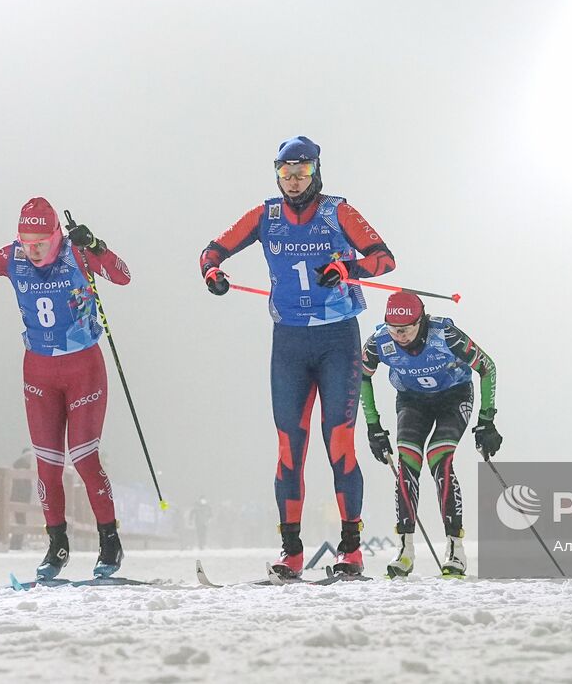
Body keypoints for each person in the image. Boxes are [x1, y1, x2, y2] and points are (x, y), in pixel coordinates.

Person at [198, 136, 395, 580]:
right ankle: (291, 551)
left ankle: (351, 550)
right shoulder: (266, 215)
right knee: (289, 448)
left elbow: (384, 259)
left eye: (301, 174)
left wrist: (348, 269)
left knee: (340, 442)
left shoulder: (338, 211)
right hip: (288, 342)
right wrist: (213, 272)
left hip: (337, 339)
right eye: (285, 174)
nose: (292, 182)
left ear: (316, 172)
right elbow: (211, 252)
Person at [0, 198, 131, 580]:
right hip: (39, 372)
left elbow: (122, 275)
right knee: (47, 465)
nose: (33, 250)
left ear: (57, 236)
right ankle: (57, 545)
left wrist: (96, 245)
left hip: (83, 366)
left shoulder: (77, 253)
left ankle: (109, 541)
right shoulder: (12, 257)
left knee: (84, 459)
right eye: (27, 241)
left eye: (42, 243)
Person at [360, 292, 498, 578]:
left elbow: (487, 367)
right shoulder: (380, 342)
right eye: (393, 329)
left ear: (420, 321)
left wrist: (487, 420)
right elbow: (361, 375)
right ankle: (405, 549)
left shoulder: (445, 334)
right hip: (412, 401)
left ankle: (455, 548)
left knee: (439, 458)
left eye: (406, 329)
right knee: (407, 463)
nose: (399, 336)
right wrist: (373, 425)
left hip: (454, 396)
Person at [9, 447, 34, 551]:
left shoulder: (22, 466)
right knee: (21, 522)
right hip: (20, 499)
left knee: (20, 522)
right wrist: (25, 497)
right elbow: (22, 486)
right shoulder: (22, 467)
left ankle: (16, 544)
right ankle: (15, 545)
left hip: (19, 499)